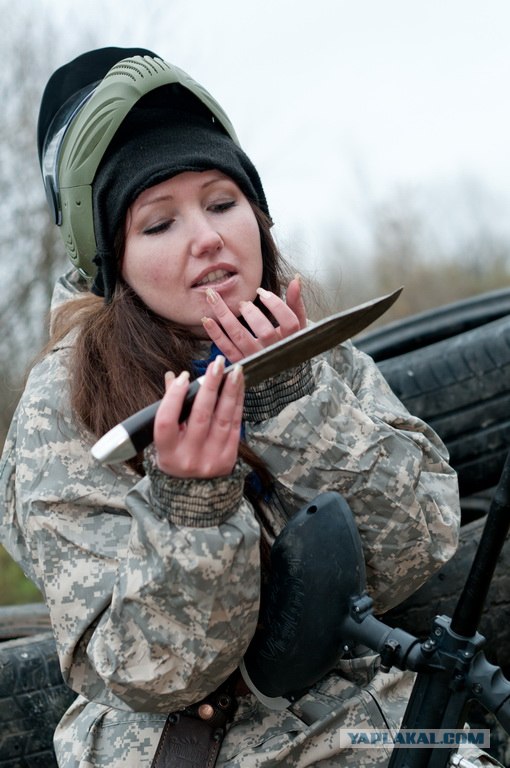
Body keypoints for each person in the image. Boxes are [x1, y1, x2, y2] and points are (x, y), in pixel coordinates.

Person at [0, 47, 498, 768]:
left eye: (224, 203)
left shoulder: (313, 347)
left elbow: (413, 555)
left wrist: (295, 403)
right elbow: (153, 672)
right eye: (158, 222)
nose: (207, 238)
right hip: (207, 743)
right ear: (115, 260)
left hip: (376, 716)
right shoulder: (67, 403)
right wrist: (191, 506)